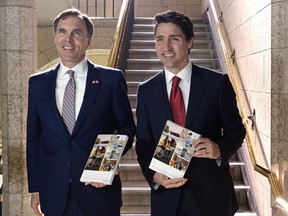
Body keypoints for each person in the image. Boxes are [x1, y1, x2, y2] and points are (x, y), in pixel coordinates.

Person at [135, 10, 246, 216]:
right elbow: (143, 144)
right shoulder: (146, 90)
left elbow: (236, 130)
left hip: (212, 197)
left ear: (190, 42)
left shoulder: (217, 83)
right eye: (160, 39)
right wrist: (154, 175)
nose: (166, 47)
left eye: (174, 38)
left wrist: (219, 149)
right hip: (167, 198)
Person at [26, 8, 135, 216]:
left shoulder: (110, 80)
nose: (68, 38)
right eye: (62, 31)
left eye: (76, 33)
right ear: (55, 37)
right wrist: (35, 188)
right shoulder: (37, 83)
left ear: (88, 40)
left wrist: (109, 160)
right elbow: (34, 139)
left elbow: (127, 127)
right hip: (54, 189)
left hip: (98, 189)